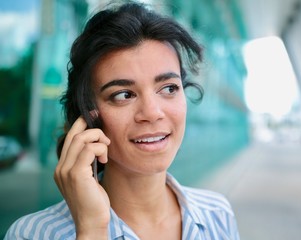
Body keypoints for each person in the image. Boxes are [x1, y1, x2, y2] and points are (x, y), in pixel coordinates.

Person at [5, 1, 240, 239]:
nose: (152, 112)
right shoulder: (32, 234)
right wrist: (92, 229)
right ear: (87, 117)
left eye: (169, 88)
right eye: (123, 95)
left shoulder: (217, 214)